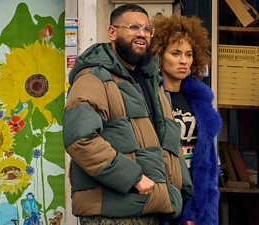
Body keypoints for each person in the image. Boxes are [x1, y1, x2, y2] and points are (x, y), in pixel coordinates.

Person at [63, 3, 193, 225]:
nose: (142, 34)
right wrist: (133, 178)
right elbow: (80, 139)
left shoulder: (152, 82)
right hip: (112, 216)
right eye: (133, 27)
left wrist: (181, 195)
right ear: (112, 32)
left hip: (151, 208)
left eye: (147, 29)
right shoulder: (94, 78)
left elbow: (168, 144)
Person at [151, 14, 222, 225]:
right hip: (162, 193)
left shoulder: (199, 98)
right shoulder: (150, 97)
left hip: (198, 193)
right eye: (175, 53)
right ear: (159, 55)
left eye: (189, 54)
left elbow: (208, 160)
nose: (183, 61)